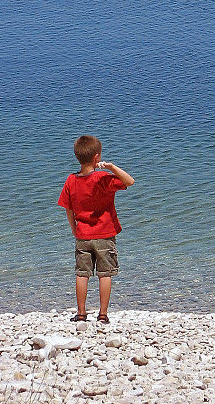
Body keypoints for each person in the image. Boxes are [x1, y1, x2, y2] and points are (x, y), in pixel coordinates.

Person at [58, 134, 134, 323]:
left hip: (82, 234)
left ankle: (81, 313)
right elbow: (129, 181)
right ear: (97, 157)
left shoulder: (70, 180)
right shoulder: (102, 178)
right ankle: (102, 314)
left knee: (82, 275)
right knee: (105, 274)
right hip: (105, 235)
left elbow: (68, 209)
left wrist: (74, 229)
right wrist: (111, 167)